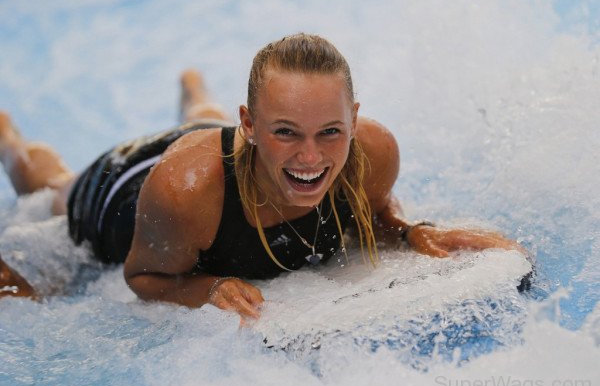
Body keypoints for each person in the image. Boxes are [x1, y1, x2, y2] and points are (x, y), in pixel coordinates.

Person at [0, 33, 522, 315]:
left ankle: (194, 91)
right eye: (287, 132)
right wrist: (204, 288)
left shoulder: (373, 152)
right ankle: (10, 140)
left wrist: (411, 232)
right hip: (128, 187)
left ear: (354, 120)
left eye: (331, 132)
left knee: (202, 122)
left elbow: (374, 215)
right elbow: (143, 277)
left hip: (219, 145)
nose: (312, 158)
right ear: (249, 123)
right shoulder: (185, 195)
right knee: (50, 187)